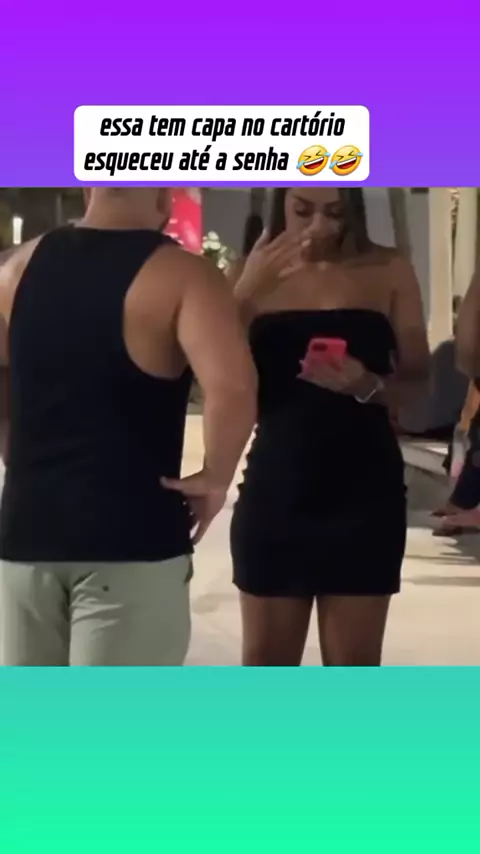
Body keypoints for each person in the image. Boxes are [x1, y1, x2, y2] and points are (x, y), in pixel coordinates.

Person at [0, 187, 257, 666]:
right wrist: (214, 477)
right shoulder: (184, 275)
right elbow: (233, 386)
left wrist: (16, 455)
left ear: (88, 187)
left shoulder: (15, 268)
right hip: (131, 535)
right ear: (165, 193)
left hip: (26, 534)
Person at [228, 187, 429, 666]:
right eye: (302, 210)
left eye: (335, 213)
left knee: (353, 673)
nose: (318, 225)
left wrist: (368, 384)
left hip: (365, 497)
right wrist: (244, 295)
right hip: (277, 489)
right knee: (266, 672)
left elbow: (420, 382)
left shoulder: (388, 269)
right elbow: (209, 374)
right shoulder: (249, 274)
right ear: (281, 201)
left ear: (354, 210)